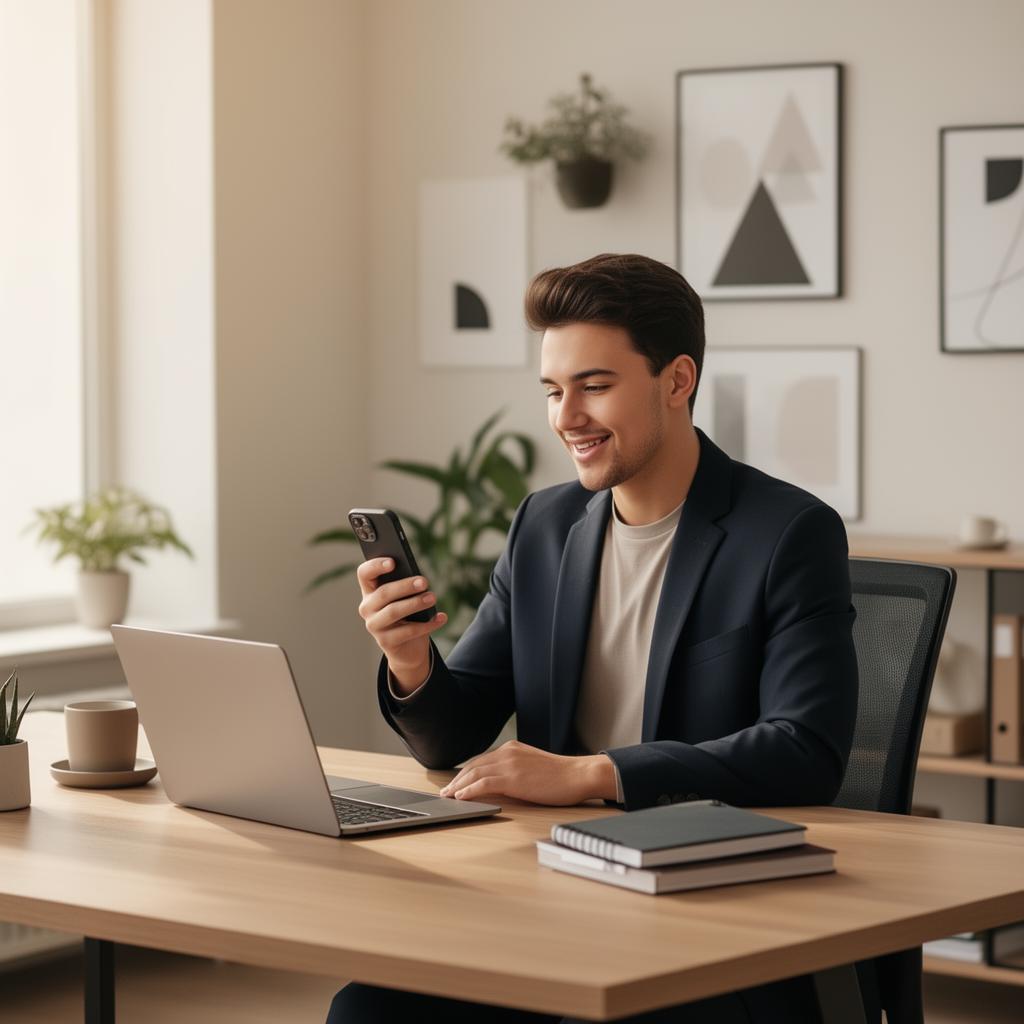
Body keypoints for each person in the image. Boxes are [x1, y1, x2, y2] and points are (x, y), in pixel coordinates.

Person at [327, 253, 861, 1023]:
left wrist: (589, 774)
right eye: (553, 390)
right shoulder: (545, 525)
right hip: (553, 890)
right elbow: (456, 731)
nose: (565, 416)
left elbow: (805, 751)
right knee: (370, 1009)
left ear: (677, 382)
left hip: (709, 915)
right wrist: (410, 659)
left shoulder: (785, 533)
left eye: (594, 386)